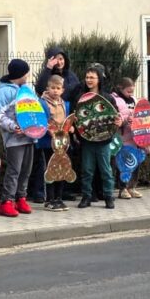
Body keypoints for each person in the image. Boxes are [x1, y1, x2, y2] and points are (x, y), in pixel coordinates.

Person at [69, 64, 122, 210]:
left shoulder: (108, 98)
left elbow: (116, 116)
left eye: (92, 77)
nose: (88, 80)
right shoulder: (80, 98)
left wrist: (119, 120)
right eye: (87, 77)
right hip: (87, 141)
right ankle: (86, 197)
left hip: (104, 141)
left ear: (99, 79)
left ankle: (108, 197)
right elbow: (76, 117)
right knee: (87, 170)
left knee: (106, 171)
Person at [30, 48, 79, 202]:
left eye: (62, 58)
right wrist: (48, 68)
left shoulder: (68, 87)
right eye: (56, 58)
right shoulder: (44, 99)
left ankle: (59, 195)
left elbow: (75, 96)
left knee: (63, 165)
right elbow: (39, 89)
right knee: (49, 167)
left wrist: (71, 126)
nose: (60, 61)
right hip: (49, 139)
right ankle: (46, 196)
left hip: (63, 139)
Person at [0, 59, 34, 218]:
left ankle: (21, 198)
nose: (28, 75)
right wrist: (13, 127)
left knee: (26, 170)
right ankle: (6, 201)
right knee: (14, 170)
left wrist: (35, 127)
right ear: (19, 74)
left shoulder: (27, 89)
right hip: (14, 138)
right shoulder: (4, 92)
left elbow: (34, 110)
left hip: (29, 137)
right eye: (26, 72)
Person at [39, 75, 71, 212]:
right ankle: (49, 199)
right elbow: (43, 121)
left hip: (62, 143)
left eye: (58, 88)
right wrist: (50, 131)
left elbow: (66, 121)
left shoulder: (65, 104)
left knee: (62, 169)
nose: (55, 91)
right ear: (48, 88)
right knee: (50, 169)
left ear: (62, 90)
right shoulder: (42, 103)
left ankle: (59, 198)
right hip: (49, 142)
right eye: (53, 88)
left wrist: (70, 127)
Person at [111, 77, 143, 199]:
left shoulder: (134, 100)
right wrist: (124, 121)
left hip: (134, 136)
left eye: (132, 91)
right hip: (122, 137)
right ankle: (123, 188)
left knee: (135, 161)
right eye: (128, 91)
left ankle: (132, 187)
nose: (131, 94)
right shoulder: (115, 100)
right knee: (123, 163)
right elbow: (115, 117)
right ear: (120, 88)